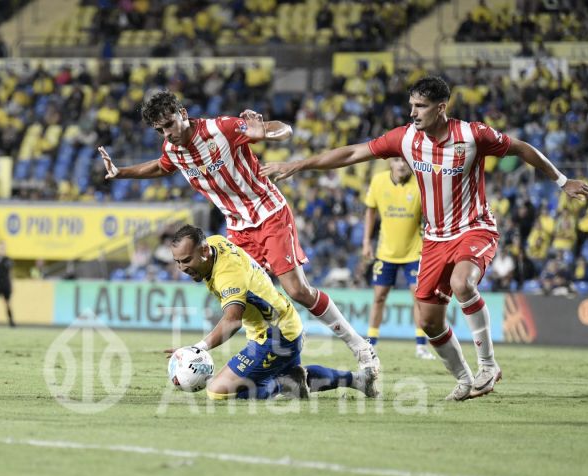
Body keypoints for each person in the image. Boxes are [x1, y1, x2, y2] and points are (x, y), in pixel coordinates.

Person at [262, 76, 588, 401]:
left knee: (463, 283)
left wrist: (562, 181)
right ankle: (465, 379)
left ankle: (488, 365)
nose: (413, 113)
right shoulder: (406, 139)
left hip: (474, 227)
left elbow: (522, 148)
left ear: (441, 107)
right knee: (428, 321)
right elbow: (352, 154)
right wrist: (298, 165)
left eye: (421, 106)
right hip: (434, 239)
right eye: (411, 106)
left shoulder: (473, 134)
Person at [98, 90, 379, 377]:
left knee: (297, 290)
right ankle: (279, 362)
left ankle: (360, 347)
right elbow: (161, 166)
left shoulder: (221, 128)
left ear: (182, 114)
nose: (167, 134)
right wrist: (122, 172)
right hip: (238, 227)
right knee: (243, 299)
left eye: (169, 124)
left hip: (268, 212)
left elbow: (284, 129)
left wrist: (266, 132)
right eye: (159, 130)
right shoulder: (173, 151)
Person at [166, 224, 377, 400]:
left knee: (218, 392)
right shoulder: (213, 243)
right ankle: (358, 380)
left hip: (274, 335)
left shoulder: (228, 274)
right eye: (178, 261)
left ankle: (284, 384)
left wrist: (197, 349)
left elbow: (232, 321)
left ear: (203, 252)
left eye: (186, 260)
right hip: (284, 323)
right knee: (291, 373)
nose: (182, 268)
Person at [362, 157, 435, 360]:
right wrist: (366, 242)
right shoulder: (378, 181)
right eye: (396, 160)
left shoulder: (421, 184)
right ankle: (371, 344)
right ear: (390, 164)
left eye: (405, 161)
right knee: (379, 297)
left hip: (415, 251)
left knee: (418, 297)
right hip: (385, 252)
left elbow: (431, 216)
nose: (402, 165)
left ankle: (421, 345)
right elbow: (370, 211)